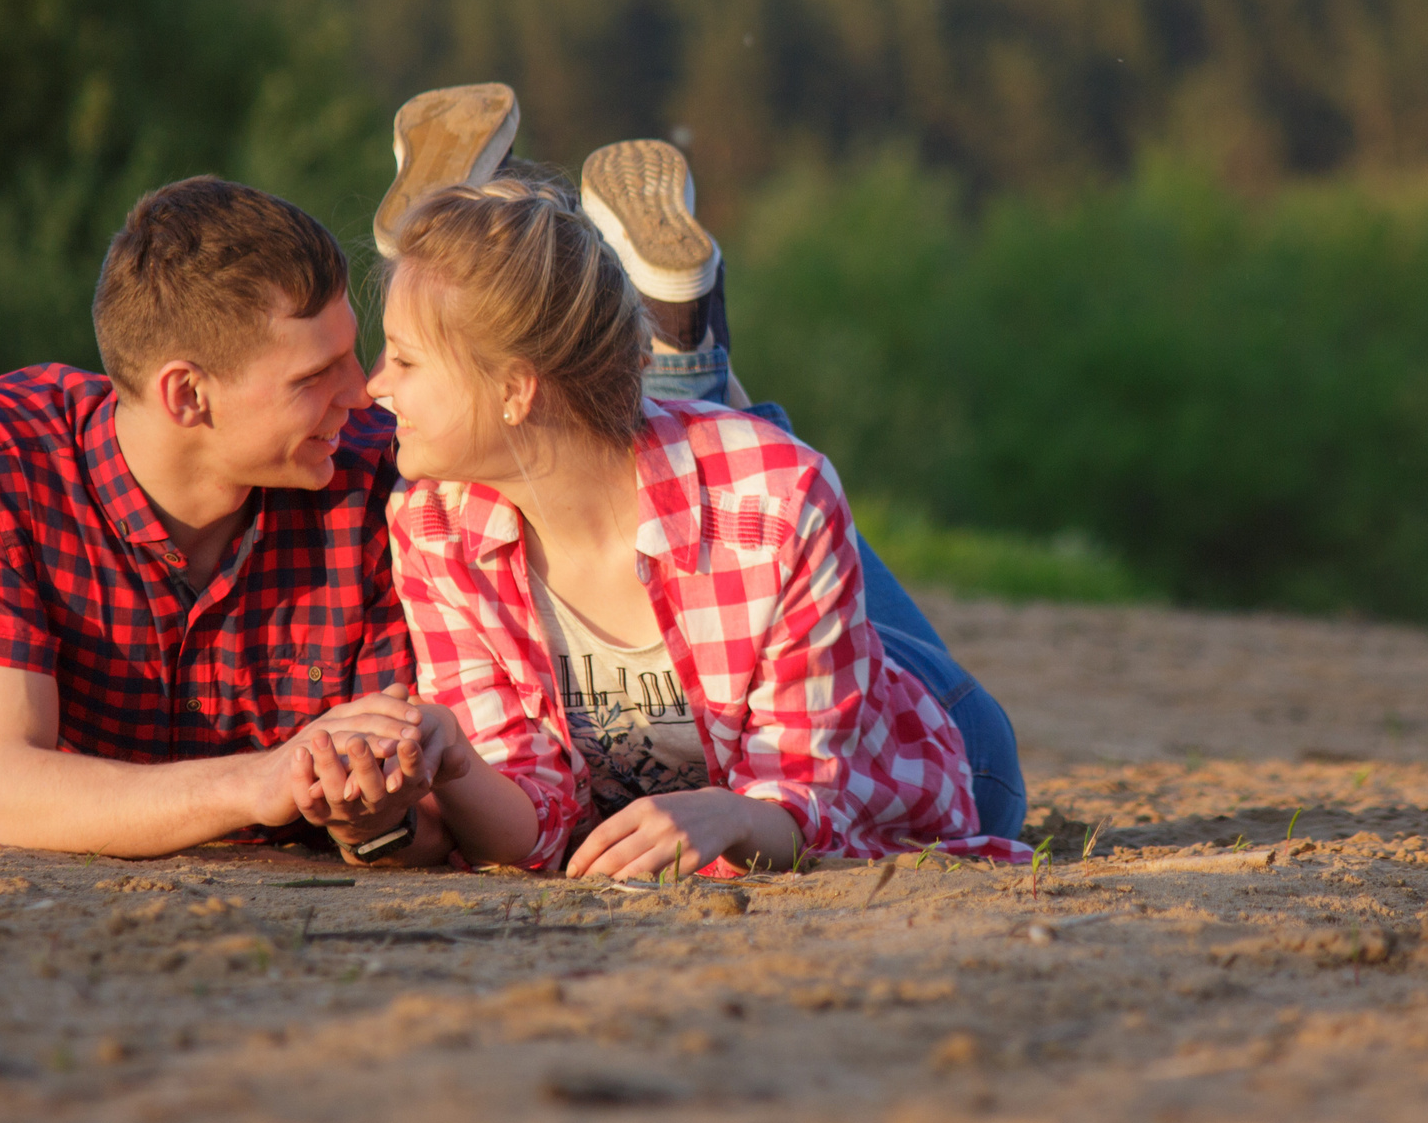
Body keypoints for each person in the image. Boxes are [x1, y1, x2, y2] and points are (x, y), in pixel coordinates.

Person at [364, 167, 1030, 877]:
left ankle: (688, 354)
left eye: (404, 359)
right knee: (708, 448)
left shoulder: (777, 499)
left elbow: (815, 802)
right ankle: (683, 339)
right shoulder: (432, 526)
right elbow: (536, 815)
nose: (375, 383)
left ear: (514, 390)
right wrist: (456, 759)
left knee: (770, 478)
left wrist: (734, 815)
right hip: (736, 581)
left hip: (913, 753)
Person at [0, 175, 482, 861]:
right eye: (314, 375)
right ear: (186, 394)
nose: (363, 391)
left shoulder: (379, 477)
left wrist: (370, 822)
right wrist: (255, 781)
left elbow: (434, 824)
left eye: (352, 352)